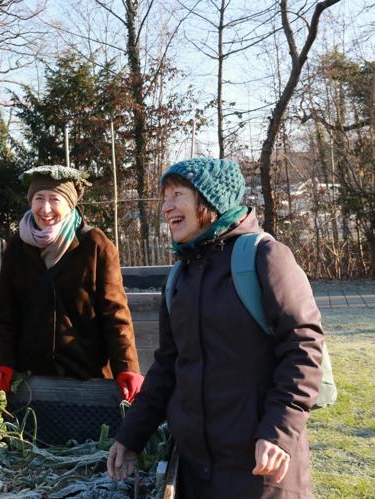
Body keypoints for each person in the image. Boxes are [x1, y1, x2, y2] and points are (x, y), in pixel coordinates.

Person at [107, 157, 324, 498]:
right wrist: (131, 435)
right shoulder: (180, 275)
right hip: (196, 470)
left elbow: (304, 348)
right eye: (165, 198)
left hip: (260, 467)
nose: (167, 207)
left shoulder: (266, 257)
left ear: (210, 201)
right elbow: (167, 366)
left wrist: (278, 432)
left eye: (177, 195)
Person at [0, 165, 142, 402]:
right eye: (39, 198)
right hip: (30, 382)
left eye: (54, 199)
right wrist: (2, 360)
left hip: (87, 378)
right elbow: (5, 314)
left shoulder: (96, 245)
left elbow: (115, 313)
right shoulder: (18, 247)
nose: (45, 208)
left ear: (69, 204)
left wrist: (127, 366)